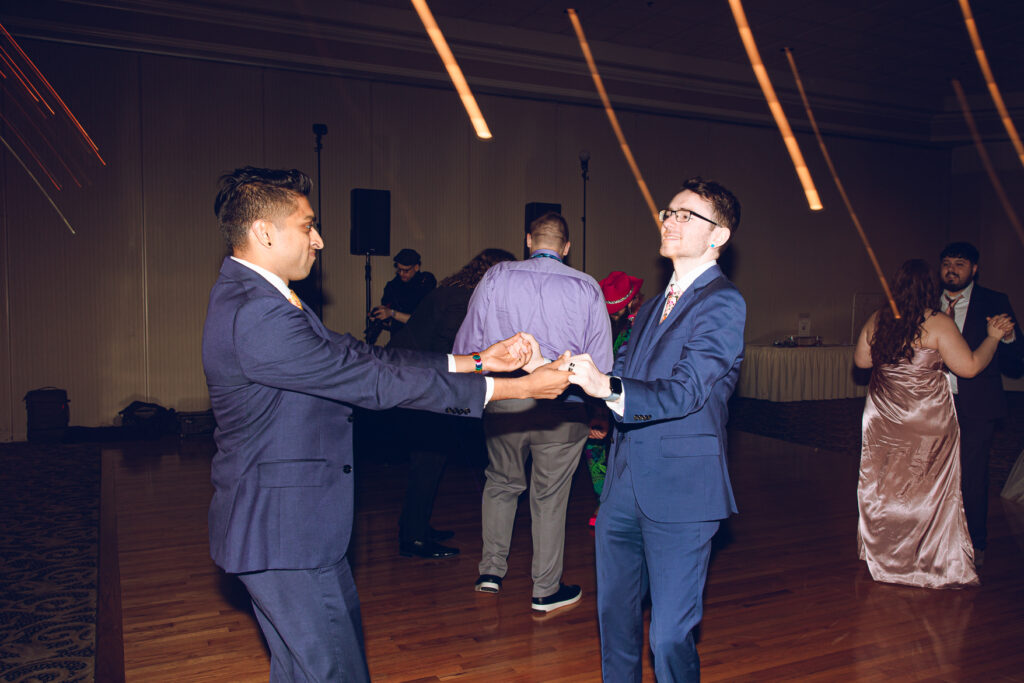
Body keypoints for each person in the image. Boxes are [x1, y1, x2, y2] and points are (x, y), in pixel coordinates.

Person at [201, 167, 569, 681]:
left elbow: (361, 358)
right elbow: (374, 384)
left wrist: (478, 361)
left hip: (288, 528)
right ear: (265, 232)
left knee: (302, 670)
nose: (320, 239)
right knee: (336, 671)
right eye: (308, 225)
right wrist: (518, 387)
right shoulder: (259, 313)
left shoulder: (262, 297)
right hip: (283, 531)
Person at [565, 177, 744, 681]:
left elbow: (688, 390)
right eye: (669, 212)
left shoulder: (723, 303)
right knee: (615, 623)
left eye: (687, 215)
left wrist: (608, 388)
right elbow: (619, 376)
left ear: (719, 236)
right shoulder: (649, 309)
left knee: (668, 636)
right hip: (624, 485)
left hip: (683, 491)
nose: (670, 220)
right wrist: (559, 373)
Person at [453, 211, 612, 613]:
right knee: (551, 496)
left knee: (502, 483)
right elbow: (602, 366)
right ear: (567, 248)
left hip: (506, 398)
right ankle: (544, 589)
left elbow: (469, 343)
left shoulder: (496, 276)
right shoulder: (587, 287)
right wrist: (599, 415)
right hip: (565, 406)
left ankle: (490, 572)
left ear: (529, 240)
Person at [853, 258, 1014, 588]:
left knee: (886, 484)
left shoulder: (879, 319)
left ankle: (883, 550)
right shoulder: (938, 322)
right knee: (927, 485)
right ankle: (923, 555)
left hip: (883, 417)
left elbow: (861, 361)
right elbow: (968, 367)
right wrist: (994, 338)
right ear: (930, 288)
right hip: (924, 418)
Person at [388, 248, 518, 559]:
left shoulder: (456, 291)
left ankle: (416, 526)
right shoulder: (462, 300)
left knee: (429, 462)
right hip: (420, 388)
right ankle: (414, 539)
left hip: (417, 383)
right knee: (427, 464)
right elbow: (447, 354)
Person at [938, 242, 1024, 564]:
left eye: (959, 264)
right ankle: (935, 537)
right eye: (947, 263)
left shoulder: (994, 301)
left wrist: (1009, 336)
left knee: (972, 474)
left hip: (976, 405)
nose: (951, 269)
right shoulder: (926, 301)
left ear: (974, 269)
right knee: (931, 472)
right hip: (931, 404)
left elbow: (1016, 362)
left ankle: (976, 543)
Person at [583, 271, 644, 526]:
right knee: (596, 448)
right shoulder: (599, 322)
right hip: (602, 398)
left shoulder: (640, 324)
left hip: (631, 399)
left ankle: (618, 508)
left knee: (625, 454)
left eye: (618, 312)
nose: (614, 316)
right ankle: (606, 503)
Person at [368, 248, 436, 339]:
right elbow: (392, 324)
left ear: (416, 267)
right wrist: (380, 318)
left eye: (406, 270)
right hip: (399, 340)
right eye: (399, 270)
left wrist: (392, 313)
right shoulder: (392, 287)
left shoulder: (425, 282)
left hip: (420, 341)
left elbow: (421, 320)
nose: (401, 273)